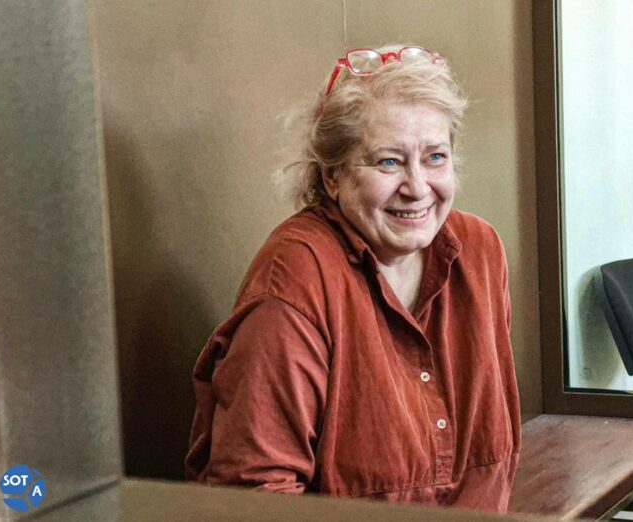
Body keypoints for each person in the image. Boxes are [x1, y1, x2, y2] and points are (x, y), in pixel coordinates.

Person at [185, 44, 521, 512]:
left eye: (435, 157)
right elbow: (257, 499)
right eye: (388, 162)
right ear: (333, 177)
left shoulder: (479, 251)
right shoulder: (294, 280)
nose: (418, 188)